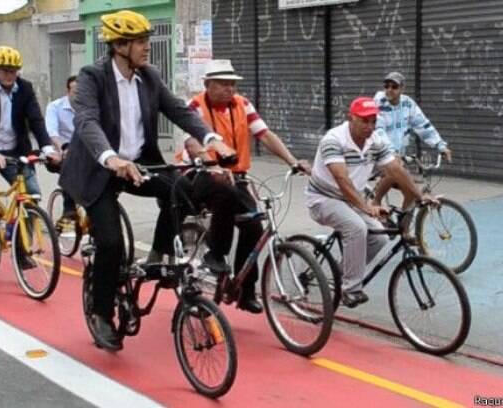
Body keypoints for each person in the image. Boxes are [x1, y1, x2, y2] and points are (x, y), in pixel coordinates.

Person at [59, 10, 234, 351]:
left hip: (139, 163)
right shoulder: (92, 76)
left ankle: (158, 253)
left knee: (181, 192)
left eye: (147, 40)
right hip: (99, 169)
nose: (147, 47)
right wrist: (112, 158)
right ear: (119, 46)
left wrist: (212, 140)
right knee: (111, 244)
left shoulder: (150, 76)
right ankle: (101, 314)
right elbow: (87, 122)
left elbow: (180, 111)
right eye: (140, 41)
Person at [181, 59, 311, 314]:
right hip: (200, 174)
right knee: (225, 194)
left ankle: (244, 290)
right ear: (207, 84)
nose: (230, 89)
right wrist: (211, 165)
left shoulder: (242, 104)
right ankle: (215, 255)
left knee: (254, 226)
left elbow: (265, 134)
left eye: (233, 84)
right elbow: (192, 143)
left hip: (235, 175)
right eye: (223, 84)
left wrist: (293, 161)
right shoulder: (194, 107)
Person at [306, 97, 429, 308]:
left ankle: (340, 273)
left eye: (373, 121)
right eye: (364, 121)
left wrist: (420, 196)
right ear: (350, 117)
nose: (370, 127)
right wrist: (366, 207)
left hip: (351, 200)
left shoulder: (375, 141)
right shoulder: (333, 140)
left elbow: (395, 170)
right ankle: (350, 289)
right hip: (323, 198)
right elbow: (342, 180)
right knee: (357, 228)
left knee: (379, 238)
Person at [0, 46, 61, 240]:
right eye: (5, 70)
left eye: (14, 71)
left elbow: (36, 120)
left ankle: (23, 248)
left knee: (32, 195)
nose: (10, 75)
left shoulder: (25, 88)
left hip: (15, 151)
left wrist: (48, 149)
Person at [372, 72, 452, 207]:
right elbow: (379, 131)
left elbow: (423, 125)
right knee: (394, 169)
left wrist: (440, 145)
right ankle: (376, 202)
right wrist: (390, 153)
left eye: (394, 86)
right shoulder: (379, 103)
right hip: (378, 154)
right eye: (386, 86)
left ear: (402, 89)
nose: (389, 89)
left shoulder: (408, 104)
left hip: (397, 156)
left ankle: (403, 227)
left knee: (411, 192)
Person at [44, 75, 77, 223]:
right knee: (68, 165)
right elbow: (52, 133)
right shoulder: (55, 107)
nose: (78, 96)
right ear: (68, 92)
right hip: (58, 153)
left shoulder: (89, 107)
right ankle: (68, 209)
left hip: (82, 152)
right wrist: (63, 147)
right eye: (75, 92)